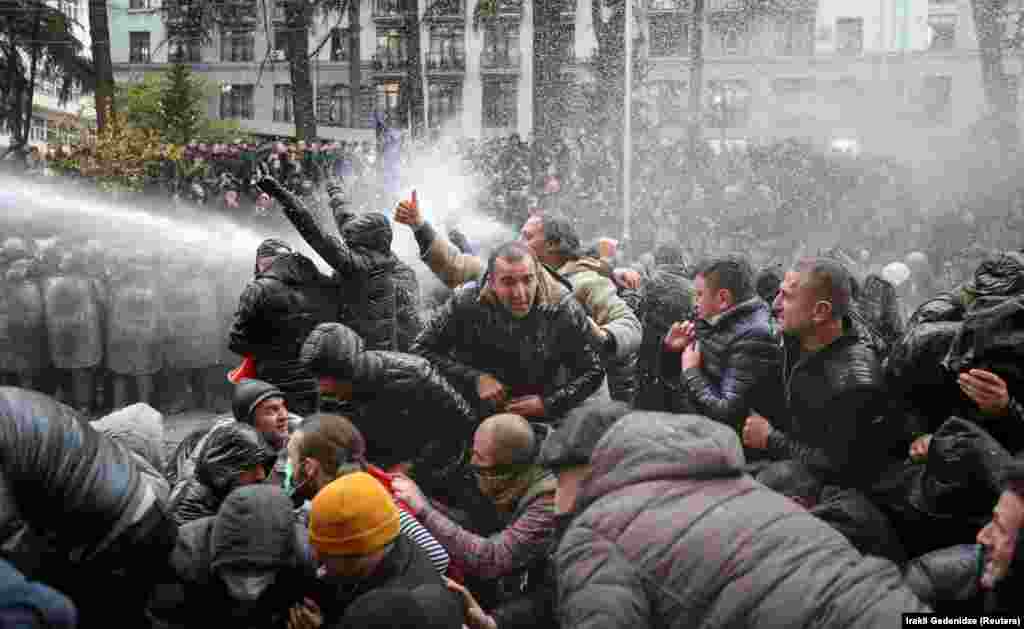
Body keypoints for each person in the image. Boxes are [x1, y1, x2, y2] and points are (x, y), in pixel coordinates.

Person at [554, 409, 929, 628]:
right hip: (887, 604)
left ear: (582, 469)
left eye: (557, 478)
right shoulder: (733, 477)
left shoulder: (594, 533)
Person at [742, 257, 896, 493]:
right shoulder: (795, 340)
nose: (774, 304)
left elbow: (848, 468)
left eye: (787, 297)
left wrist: (771, 440)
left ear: (820, 311)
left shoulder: (855, 381)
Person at [411, 242, 603, 422]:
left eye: (528, 280)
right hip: (472, 412)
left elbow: (593, 371)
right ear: (492, 282)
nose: (520, 293)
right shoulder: (465, 302)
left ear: (537, 276)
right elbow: (420, 351)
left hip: (542, 416)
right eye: (508, 282)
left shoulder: (562, 307)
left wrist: (549, 404)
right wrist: (474, 379)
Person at [393, 413, 556, 609]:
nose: (472, 462)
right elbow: (474, 524)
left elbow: (493, 559)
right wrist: (419, 500)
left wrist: (425, 511)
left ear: (506, 468)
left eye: (480, 459)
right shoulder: (515, 459)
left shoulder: (548, 500)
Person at [284, 413, 451, 576]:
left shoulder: (371, 500)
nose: (288, 465)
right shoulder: (353, 490)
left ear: (309, 467)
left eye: (291, 458)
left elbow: (438, 557)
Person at [300, 322, 477, 473]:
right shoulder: (329, 394)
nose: (322, 389)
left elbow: (462, 423)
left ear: (349, 371)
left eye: (328, 381)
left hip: (433, 471)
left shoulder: (414, 375)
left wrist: (414, 466)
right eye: (318, 380)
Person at [258, 174, 399, 351]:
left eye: (353, 236)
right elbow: (346, 219)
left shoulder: (357, 265)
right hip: (379, 348)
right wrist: (335, 191)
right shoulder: (381, 255)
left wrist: (283, 196)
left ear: (366, 239)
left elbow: (314, 232)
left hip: (363, 354)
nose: (347, 237)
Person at [148, 485, 319, 629]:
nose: (249, 590)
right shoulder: (181, 562)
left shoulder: (300, 562)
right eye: (237, 574)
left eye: (261, 575)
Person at [306, 472, 462, 626]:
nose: (319, 561)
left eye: (326, 554)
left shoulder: (384, 613)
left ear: (357, 553)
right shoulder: (393, 542)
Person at [518, 215, 642, 403]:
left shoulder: (585, 281)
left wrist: (604, 337)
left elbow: (630, 324)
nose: (519, 243)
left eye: (527, 237)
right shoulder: (525, 279)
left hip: (578, 404)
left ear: (552, 244)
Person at [664, 255, 784, 435]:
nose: (695, 303)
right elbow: (676, 381)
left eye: (699, 295)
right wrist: (671, 350)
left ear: (722, 299)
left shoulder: (754, 337)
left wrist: (691, 371)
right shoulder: (713, 320)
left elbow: (728, 414)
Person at [228, 238, 337, 416]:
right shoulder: (318, 283)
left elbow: (236, 341)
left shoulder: (258, 289)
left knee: (279, 434)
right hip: (315, 381)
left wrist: (268, 350)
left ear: (262, 262)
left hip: (273, 383)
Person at [166, 421, 277, 525]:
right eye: (252, 467)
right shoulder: (193, 514)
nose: (261, 475)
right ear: (226, 468)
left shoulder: (221, 495)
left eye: (262, 466)